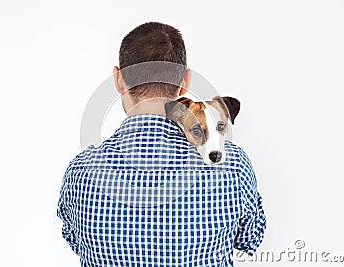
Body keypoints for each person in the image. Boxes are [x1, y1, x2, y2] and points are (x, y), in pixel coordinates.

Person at [57, 21, 266, 267]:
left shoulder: (81, 170)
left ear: (118, 79)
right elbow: (249, 239)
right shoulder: (232, 164)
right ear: (185, 81)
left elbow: (74, 239)